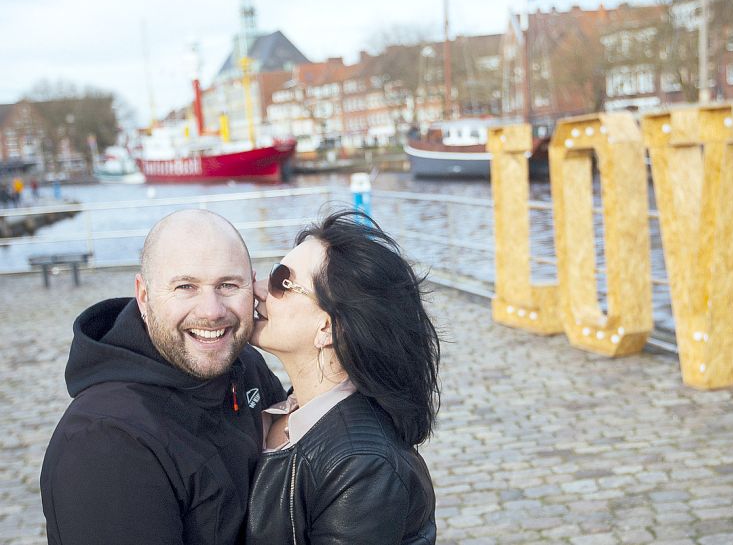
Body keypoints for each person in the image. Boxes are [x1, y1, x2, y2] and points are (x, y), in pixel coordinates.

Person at [40, 209, 287, 545]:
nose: (212, 311)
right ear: (144, 296)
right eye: (186, 286)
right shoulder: (105, 443)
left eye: (228, 285)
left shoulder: (245, 365)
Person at [246, 210, 439, 544]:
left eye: (281, 281)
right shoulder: (279, 405)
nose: (258, 289)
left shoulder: (362, 465)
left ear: (328, 328)